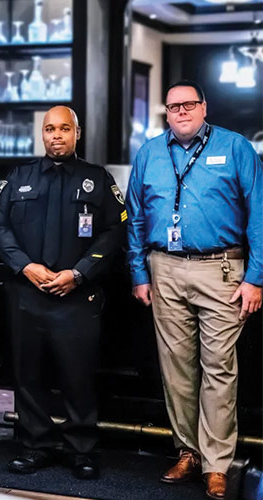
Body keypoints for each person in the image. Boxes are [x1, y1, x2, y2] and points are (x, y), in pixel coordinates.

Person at [126, 80, 261, 500]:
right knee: (177, 370)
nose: (181, 112)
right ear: (166, 112)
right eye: (173, 106)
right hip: (164, 268)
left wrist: (255, 277)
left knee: (219, 368)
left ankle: (217, 463)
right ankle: (188, 451)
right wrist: (138, 273)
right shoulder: (149, 152)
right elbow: (134, 218)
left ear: (204, 107)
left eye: (189, 104)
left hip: (221, 269)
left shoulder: (235, 147)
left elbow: (259, 213)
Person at [0, 106, 126, 480]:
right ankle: (35, 445)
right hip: (27, 295)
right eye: (50, 129)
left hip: (76, 297)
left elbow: (114, 233)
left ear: (77, 133)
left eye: (64, 128)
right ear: (43, 134)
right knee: (27, 375)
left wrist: (79, 273)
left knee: (77, 377)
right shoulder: (20, 177)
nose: (56, 135)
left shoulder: (97, 180)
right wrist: (26, 266)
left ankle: (81, 449)